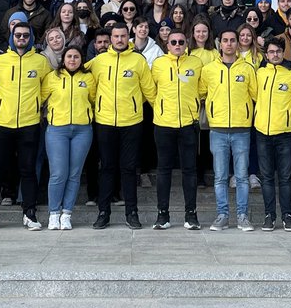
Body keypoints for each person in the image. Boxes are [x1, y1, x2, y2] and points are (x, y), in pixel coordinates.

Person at [0, 18, 51, 231]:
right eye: (18, 35)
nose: (21, 38)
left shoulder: (40, 62)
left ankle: (30, 213)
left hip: (29, 123)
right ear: (12, 37)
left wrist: (35, 105)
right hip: (2, 122)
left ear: (31, 38)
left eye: (25, 35)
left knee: (28, 170)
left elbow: (47, 87)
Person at [89, 22, 156, 229]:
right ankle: (103, 212)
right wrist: (99, 106)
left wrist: (148, 108)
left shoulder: (138, 60)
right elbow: (90, 90)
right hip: (105, 122)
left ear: (129, 37)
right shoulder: (99, 61)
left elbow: (149, 91)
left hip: (132, 123)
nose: (119, 40)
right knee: (107, 167)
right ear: (111, 38)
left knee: (128, 168)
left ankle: (132, 213)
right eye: (116, 36)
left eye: (123, 36)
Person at [199, 29, 257, 231]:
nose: (229, 44)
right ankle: (222, 215)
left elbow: (256, 95)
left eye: (233, 40)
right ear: (220, 44)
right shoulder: (209, 70)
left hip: (241, 129)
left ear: (238, 44)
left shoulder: (247, 68)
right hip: (218, 129)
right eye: (225, 40)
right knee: (220, 177)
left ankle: (242, 216)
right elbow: (201, 93)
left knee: (242, 176)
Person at [149, 30, 203, 230]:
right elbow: (151, 89)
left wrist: (193, 106)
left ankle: (191, 215)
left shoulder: (196, 63)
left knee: (190, 170)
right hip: (164, 124)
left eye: (181, 41)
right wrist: (160, 107)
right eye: (174, 42)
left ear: (186, 43)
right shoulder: (159, 64)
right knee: (164, 170)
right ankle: (162, 215)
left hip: (188, 124)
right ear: (167, 44)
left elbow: (202, 88)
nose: (178, 45)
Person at [41, 44, 96, 230]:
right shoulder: (53, 77)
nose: (72, 60)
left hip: (82, 130)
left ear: (81, 60)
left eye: (76, 57)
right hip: (57, 130)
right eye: (69, 56)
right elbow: (40, 98)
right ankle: (54, 213)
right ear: (63, 59)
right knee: (58, 173)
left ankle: (66, 214)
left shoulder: (88, 78)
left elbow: (94, 99)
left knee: (74, 173)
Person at [253, 40, 291, 231]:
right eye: (271, 52)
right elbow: (253, 95)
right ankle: (269, 215)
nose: (275, 55)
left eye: (278, 51)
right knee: (266, 177)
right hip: (262, 131)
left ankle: (287, 215)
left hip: (284, 133)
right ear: (266, 55)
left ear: (283, 53)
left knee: (285, 177)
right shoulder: (259, 74)